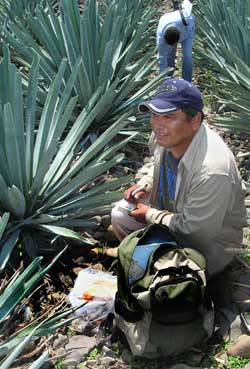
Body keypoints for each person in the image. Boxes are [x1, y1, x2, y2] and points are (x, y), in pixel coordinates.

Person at [111, 77, 247, 279]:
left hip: (210, 243)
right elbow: (156, 164)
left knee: (163, 282)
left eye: (169, 117)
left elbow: (196, 232)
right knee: (121, 214)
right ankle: (141, 254)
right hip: (174, 211)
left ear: (195, 121)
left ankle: (156, 264)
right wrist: (146, 184)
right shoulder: (164, 136)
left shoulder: (212, 169)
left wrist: (150, 215)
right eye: (155, 115)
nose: (158, 124)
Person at [157, 0, 195, 81]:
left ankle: (187, 82)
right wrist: (162, 81)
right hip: (170, 24)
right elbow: (161, 60)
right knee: (169, 56)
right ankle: (168, 79)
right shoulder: (161, 40)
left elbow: (187, 2)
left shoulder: (186, 17)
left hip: (188, 30)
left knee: (188, 56)